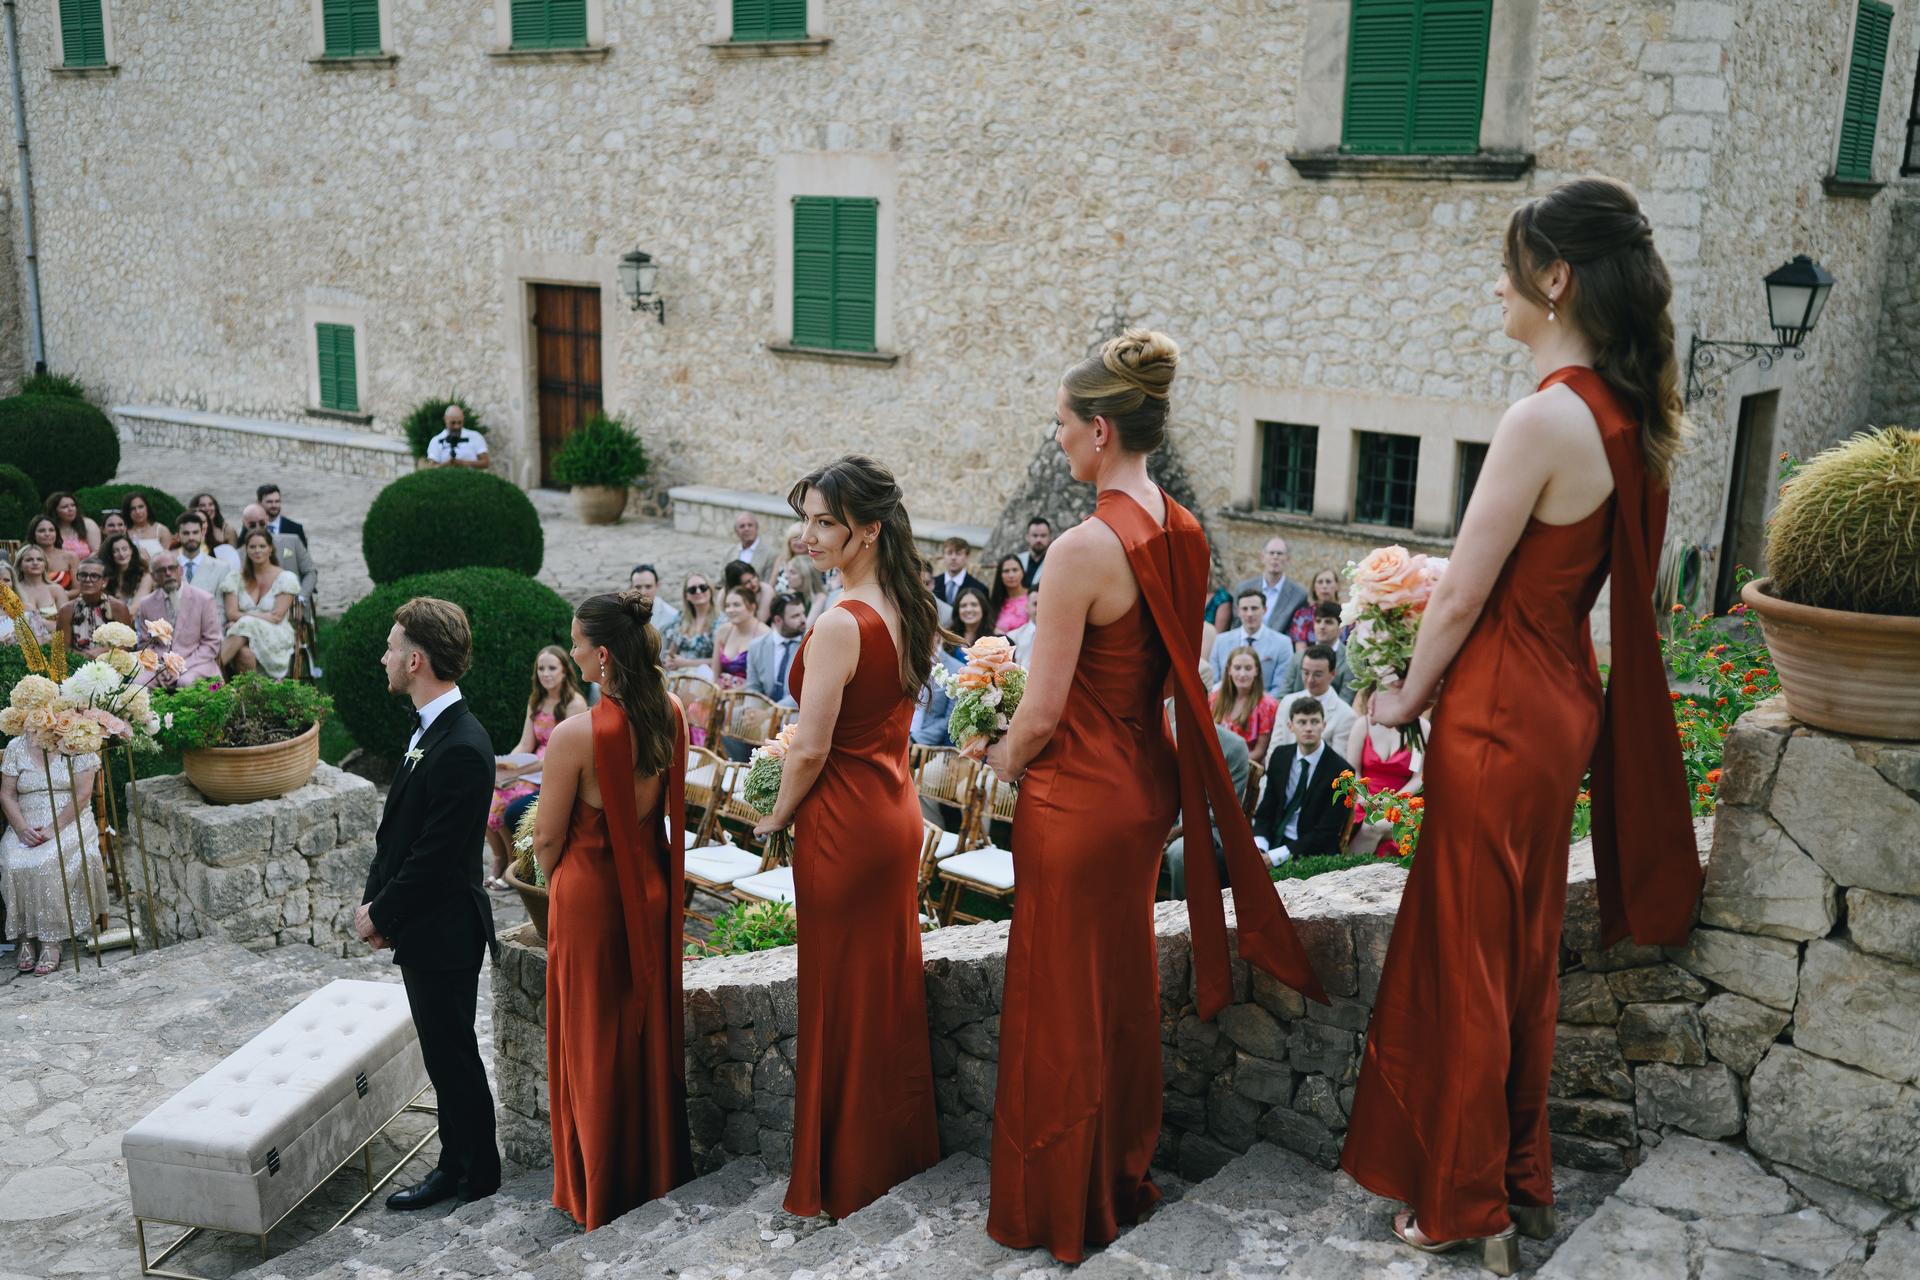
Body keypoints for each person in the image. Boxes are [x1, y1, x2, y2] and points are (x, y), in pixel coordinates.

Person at [1342, 177, 1702, 1271]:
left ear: (1556, 279)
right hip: (1557, 708)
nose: (1496, 284)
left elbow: (1465, 594)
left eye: (1511, 264)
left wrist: (1402, 695)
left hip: (1496, 709)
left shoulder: (1542, 413)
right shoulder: (1625, 415)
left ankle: (1466, 1204)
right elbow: (1540, 570)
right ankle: (1513, 1178)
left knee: (1467, 957)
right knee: (1517, 951)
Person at [978, 330, 1324, 1263]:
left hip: (1076, 802)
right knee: (1118, 995)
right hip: (1141, 794)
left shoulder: (1084, 549)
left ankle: (1059, 1201)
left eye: (1060, 426)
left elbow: (1044, 712)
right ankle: (1115, 1177)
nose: (1056, 442)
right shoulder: (1183, 528)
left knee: (1060, 1002)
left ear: (1099, 430)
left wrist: (993, 756)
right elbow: (1172, 675)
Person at [749, 455, 941, 1220]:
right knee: (882, 994)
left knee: (838, 996)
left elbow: (813, 746)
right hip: (891, 812)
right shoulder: (900, 602)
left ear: (867, 530)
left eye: (826, 521)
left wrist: (773, 816)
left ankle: (847, 1174)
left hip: (843, 824)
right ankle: (891, 1156)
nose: (809, 535)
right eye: (807, 519)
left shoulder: (838, 621)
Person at [533, 590, 694, 1227]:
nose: (570, 654)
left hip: (593, 901)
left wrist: (557, 884)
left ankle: (598, 1187)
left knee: (592, 1042)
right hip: (650, 887)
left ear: (601, 655)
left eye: (575, 643)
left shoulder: (577, 735)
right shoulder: (673, 711)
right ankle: (653, 1168)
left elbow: (545, 839)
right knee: (641, 1034)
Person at [357, 597, 503, 1211]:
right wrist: (377, 901)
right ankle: (463, 1165)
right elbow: (399, 831)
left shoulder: (463, 745)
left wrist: (382, 913)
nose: (384, 657)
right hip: (425, 924)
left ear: (415, 660)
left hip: (446, 930)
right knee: (444, 1054)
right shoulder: (429, 729)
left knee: (454, 1058)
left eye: (392, 648)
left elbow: (437, 856)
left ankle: (471, 1172)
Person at [2, 735, 107, 977]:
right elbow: (6, 795)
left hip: (68, 820)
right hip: (25, 823)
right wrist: (20, 829)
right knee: (13, 862)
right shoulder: (15, 746)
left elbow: (82, 795)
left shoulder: (77, 741)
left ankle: (52, 940)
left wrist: (52, 829)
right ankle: (26, 937)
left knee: (46, 862)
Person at [485, 646, 587, 891]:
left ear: (565, 671)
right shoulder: (536, 701)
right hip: (531, 767)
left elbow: (564, 753)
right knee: (489, 797)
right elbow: (525, 743)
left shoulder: (574, 703)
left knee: (506, 806)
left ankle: (514, 867)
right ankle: (499, 861)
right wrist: (505, 763)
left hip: (555, 770)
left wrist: (518, 773)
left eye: (552, 668)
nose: (545, 673)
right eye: (541, 668)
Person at [1250, 699, 1352, 864]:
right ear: (1291, 726)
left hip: (1308, 852)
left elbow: (1326, 833)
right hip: (1271, 840)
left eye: (1314, 722)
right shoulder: (1280, 756)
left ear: (1323, 725)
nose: (1309, 728)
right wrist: (1260, 849)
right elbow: (1265, 811)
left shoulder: (1341, 772)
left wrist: (1274, 858)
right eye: (1302, 722)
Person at [1344, 691, 1428, 858]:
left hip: (1402, 802)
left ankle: (1348, 868)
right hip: (1365, 800)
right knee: (1364, 823)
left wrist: (1391, 801)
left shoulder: (1420, 728)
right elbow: (1353, 771)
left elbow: (1418, 777)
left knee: (1373, 826)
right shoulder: (1363, 725)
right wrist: (1366, 799)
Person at [218, 529, 300, 678]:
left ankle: (210, 673)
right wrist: (245, 619)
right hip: (242, 637)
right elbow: (231, 613)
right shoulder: (235, 578)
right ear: (246, 550)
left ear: (270, 549)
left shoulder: (285, 578)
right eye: (252, 547)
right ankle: (252, 696)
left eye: (262, 546)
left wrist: (244, 618)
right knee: (244, 653)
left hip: (275, 633)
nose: (257, 551)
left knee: (246, 623)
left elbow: (276, 617)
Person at [136, 552, 224, 686]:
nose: (168, 573)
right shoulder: (146, 604)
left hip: (196, 664)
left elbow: (211, 643)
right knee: (137, 684)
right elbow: (145, 645)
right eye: (161, 570)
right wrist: (161, 668)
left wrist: (179, 667)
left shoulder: (204, 599)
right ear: (154, 576)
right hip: (160, 667)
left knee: (185, 682)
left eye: (172, 568)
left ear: (180, 570)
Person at [1271, 645, 1357, 754]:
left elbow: (1339, 762)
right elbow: (1274, 748)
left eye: (1317, 674)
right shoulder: (1287, 702)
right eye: (1306, 673)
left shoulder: (1345, 715)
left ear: (1332, 674)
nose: (1310, 680)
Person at [1208, 587, 1289, 693]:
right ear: (1238, 611)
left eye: (1254, 608)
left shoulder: (1282, 643)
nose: (1249, 614)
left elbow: (1280, 686)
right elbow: (1214, 681)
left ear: (1264, 610)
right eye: (1245, 609)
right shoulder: (1221, 641)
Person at [1212, 647, 1280, 763]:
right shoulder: (1214, 698)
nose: (1242, 674)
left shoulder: (1267, 705)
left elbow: (1260, 752)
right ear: (1229, 670)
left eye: (1248, 668)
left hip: (1245, 766)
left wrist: (1229, 763)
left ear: (1256, 671)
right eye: (1237, 668)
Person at [243, 503, 317, 605]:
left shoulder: (292, 541)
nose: (257, 528)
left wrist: (301, 598)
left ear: (267, 519)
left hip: (294, 607)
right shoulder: (240, 553)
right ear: (244, 523)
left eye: (261, 523)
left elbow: (310, 572)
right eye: (252, 525)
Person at [1279, 601, 1356, 699]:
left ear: (1341, 628)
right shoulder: (1298, 657)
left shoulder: (1349, 660)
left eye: (1328, 622)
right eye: (1318, 621)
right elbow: (1283, 694)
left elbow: (1346, 699)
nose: (1322, 626)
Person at [57, 559, 134, 656]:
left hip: (112, 662)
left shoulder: (118, 608)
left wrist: (105, 652)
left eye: (94, 576)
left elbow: (127, 643)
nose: (88, 580)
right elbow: (63, 649)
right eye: (83, 575)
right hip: (78, 664)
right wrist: (85, 656)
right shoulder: (66, 610)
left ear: (104, 581)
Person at [1234, 536, 1306, 636]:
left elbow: (1295, 631)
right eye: (1271, 553)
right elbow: (1236, 624)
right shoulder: (1243, 588)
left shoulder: (1298, 595)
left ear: (1288, 559)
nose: (1275, 557)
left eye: (1280, 553)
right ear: (1262, 557)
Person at [745, 593, 807, 709]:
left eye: (803, 613)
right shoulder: (756, 646)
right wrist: (752, 712)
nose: (803, 619)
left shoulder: (811, 643)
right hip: (764, 714)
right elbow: (753, 688)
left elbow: (805, 691)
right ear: (778, 620)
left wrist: (771, 713)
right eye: (795, 616)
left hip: (798, 713)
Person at [658, 574, 718, 678]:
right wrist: (670, 660)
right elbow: (672, 650)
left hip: (705, 678)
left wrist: (686, 663)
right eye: (692, 589)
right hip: (678, 676)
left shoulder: (721, 620)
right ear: (687, 596)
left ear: (711, 590)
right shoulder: (681, 619)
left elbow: (722, 661)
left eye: (703, 587)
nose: (698, 591)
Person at [711, 584, 770, 690]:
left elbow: (763, 679)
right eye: (727, 605)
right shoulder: (723, 631)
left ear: (752, 607)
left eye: (736, 605)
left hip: (749, 694)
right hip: (721, 693)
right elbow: (715, 673)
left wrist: (733, 693)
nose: (730, 610)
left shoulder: (765, 635)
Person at [12, 545, 68, 634]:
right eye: (29, 560)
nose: (35, 563)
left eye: (40, 559)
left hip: (55, 640)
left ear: (45, 564)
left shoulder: (57, 590)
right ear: (20, 566)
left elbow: (67, 622)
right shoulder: (13, 590)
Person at [1287, 567, 1342, 651]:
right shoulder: (1303, 615)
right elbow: (1300, 650)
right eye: (1320, 582)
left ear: (1337, 586)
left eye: (1328, 582)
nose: (1324, 586)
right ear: (1314, 587)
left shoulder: (1346, 614)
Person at [172, 511, 227, 595]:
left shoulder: (221, 568)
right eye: (186, 533)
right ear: (177, 536)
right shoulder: (168, 568)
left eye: (195, 532)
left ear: (202, 533)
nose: (191, 537)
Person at [771, 520, 825, 604]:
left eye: (802, 538)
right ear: (789, 541)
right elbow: (771, 585)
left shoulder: (817, 562)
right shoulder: (782, 560)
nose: (799, 542)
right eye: (795, 538)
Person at [423, 406, 490, 471]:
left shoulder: (475, 436)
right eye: (453, 423)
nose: (456, 426)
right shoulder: (436, 441)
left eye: (459, 423)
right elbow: (431, 468)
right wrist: (447, 464)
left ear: (463, 419)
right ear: (445, 419)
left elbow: (485, 463)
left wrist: (463, 463)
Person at [100, 532, 152, 610]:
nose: (121, 554)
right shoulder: (104, 576)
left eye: (124, 549)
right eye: (116, 551)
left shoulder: (144, 576)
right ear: (110, 555)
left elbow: (136, 607)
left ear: (131, 550)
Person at [24, 515, 78, 588]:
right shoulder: (25, 556)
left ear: (57, 533)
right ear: (33, 534)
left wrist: (58, 597)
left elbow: (77, 590)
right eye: (42, 531)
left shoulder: (71, 557)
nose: (47, 534)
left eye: (51, 530)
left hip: (67, 598)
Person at [932, 537, 985, 607]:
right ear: (943, 556)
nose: (953, 557)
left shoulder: (979, 588)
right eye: (949, 553)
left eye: (958, 553)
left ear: (967, 557)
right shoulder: (932, 584)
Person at [43, 492, 99, 557]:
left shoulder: (88, 524)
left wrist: (82, 566)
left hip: (86, 565)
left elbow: (96, 552)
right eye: (65, 507)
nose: (71, 509)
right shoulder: (48, 528)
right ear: (55, 511)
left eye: (73, 505)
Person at [628, 564, 680, 634]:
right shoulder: (623, 613)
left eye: (648, 586)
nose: (643, 592)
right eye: (638, 587)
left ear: (657, 586)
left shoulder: (672, 616)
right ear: (631, 587)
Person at [946, 583, 993, 658]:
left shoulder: (995, 639)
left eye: (974, 604)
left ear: (983, 608)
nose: (968, 610)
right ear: (957, 610)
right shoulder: (948, 637)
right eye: (963, 605)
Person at [988, 554, 1031, 633]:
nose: (1011, 575)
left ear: (1022, 572)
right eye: (1006, 571)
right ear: (1000, 575)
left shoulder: (1032, 596)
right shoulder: (995, 601)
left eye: (1015, 570)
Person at [721, 560, 774, 624]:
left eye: (754, 577)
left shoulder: (766, 590)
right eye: (747, 582)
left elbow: (760, 621)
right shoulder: (724, 594)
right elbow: (722, 619)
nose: (753, 584)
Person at [123, 492, 174, 558]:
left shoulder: (161, 530)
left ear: (147, 507)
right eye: (133, 509)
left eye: (141, 507)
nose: (138, 512)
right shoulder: (124, 531)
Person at [188, 492, 240, 557]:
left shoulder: (227, 530)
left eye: (211, 504)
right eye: (202, 505)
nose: (207, 508)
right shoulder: (188, 531)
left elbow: (234, 557)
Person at [730, 511, 777, 580]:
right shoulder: (730, 552)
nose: (746, 529)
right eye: (742, 526)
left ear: (756, 528)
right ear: (737, 532)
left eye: (750, 525)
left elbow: (769, 582)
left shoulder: (770, 554)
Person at [915, 558, 954, 630]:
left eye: (926, 583)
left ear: (933, 583)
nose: (922, 589)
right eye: (915, 584)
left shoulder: (948, 613)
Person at [1006, 580, 1039, 666]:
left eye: (1043, 604)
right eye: (1035, 604)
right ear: (1027, 607)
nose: (1040, 609)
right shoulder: (1012, 636)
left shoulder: (1057, 638)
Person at [1016, 515, 1052, 585]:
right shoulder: (1018, 560)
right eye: (1035, 535)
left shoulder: (1055, 562)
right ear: (1027, 537)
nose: (1038, 540)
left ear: (1049, 537)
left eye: (1043, 535)